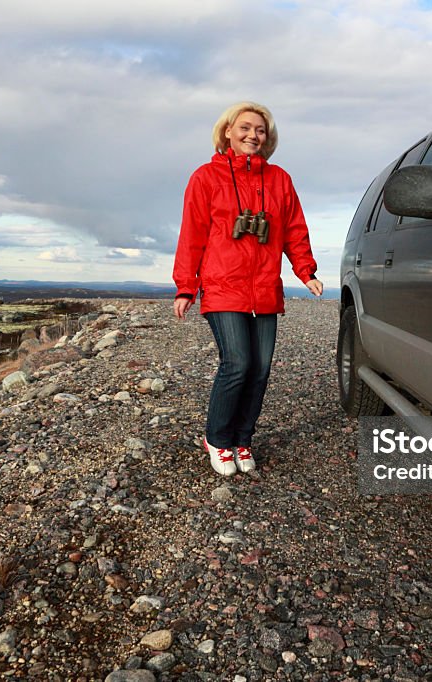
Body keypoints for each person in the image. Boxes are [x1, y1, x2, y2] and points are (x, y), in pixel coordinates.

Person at [172, 101, 323, 476]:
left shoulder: (279, 180)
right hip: (223, 285)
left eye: (260, 130)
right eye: (245, 128)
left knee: (260, 369)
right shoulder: (206, 177)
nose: (253, 135)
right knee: (237, 363)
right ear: (228, 131)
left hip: (265, 288)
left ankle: (242, 438)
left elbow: (293, 229)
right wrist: (186, 287)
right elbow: (192, 235)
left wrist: (306, 271)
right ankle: (218, 439)